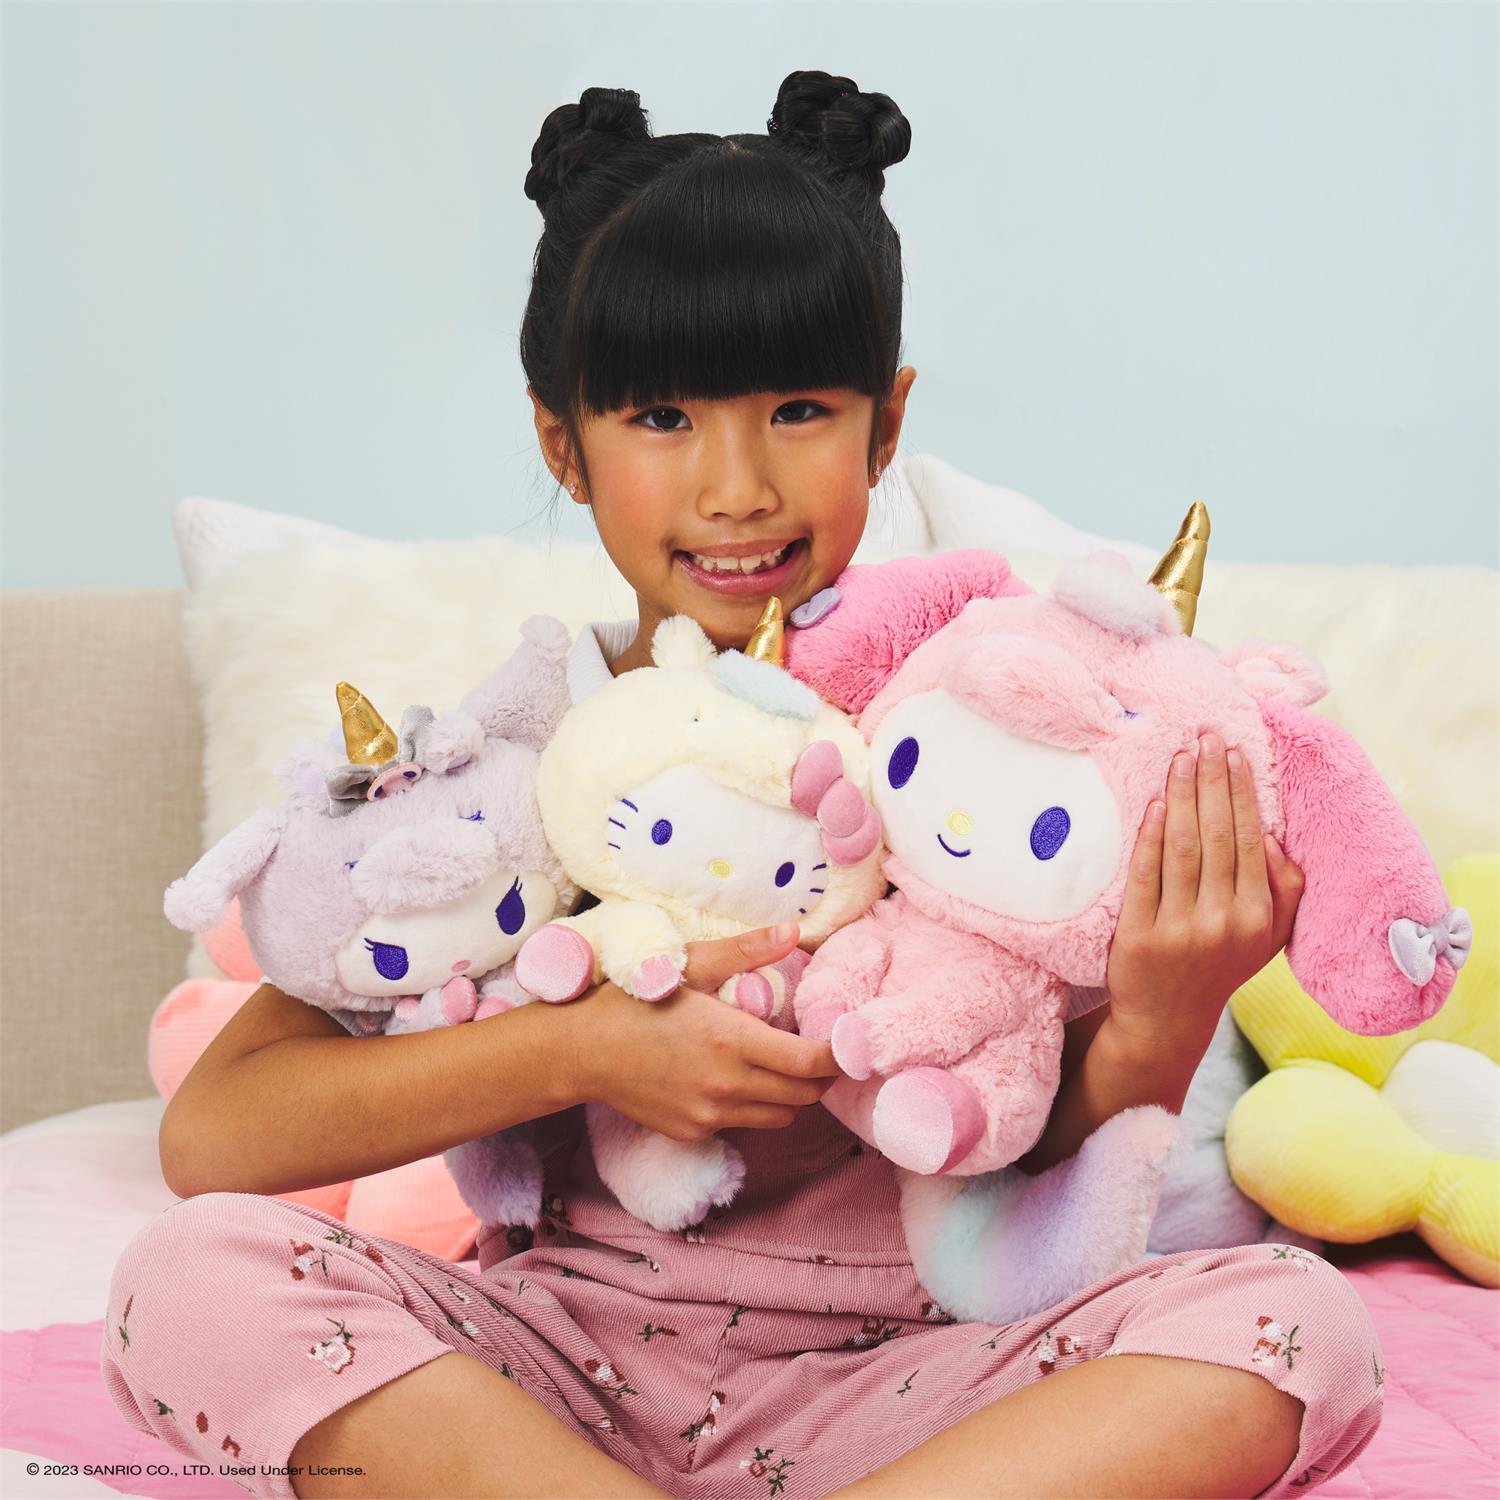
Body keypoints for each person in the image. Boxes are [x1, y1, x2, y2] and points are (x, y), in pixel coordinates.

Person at [102, 70, 1382, 1500]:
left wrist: (1164, 1013)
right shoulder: (518, 765)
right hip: (560, 1374)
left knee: (1298, 1328)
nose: (736, 488)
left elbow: (1038, 1166)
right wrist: (584, 1050)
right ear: (560, 441)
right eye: (662, 417)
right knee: (190, 1275)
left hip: (919, 1389)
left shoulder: (977, 725)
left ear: (886, 424)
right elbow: (215, 1137)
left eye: (798, 410)